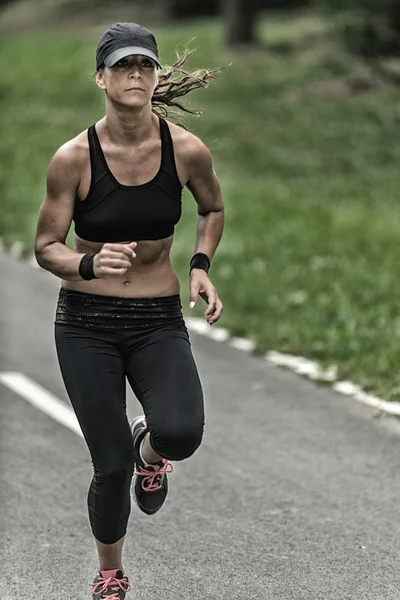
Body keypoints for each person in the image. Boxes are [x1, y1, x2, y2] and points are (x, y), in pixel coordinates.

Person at [34, 21, 224, 600]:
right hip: (86, 327)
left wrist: (199, 264)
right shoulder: (73, 158)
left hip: (156, 319)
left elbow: (212, 208)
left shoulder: (185, 150)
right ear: (102, 78)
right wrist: (89, 266)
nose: (135, 74)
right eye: (122, 66)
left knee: (181, 431)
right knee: (109, 466)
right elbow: (46, 247)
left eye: (144, 64)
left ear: (157, 74)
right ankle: (110, 572)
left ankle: (153, 453)